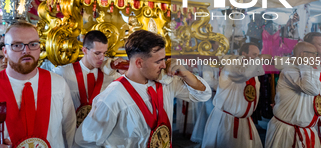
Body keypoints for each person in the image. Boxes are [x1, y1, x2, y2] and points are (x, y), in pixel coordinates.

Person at [75, 30, 211, 147]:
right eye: (158, 61)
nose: (164, 65)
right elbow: (86, 141)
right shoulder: (112, 97)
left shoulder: (166, 83)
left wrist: (185, 73)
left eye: (164, 59)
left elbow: (203, 95)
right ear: (139, 62)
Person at [0, 21, 76, 147]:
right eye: (17, 45)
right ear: (5, 51)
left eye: (33, 44)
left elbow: (69, 132)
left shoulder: (58, 84)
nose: (26, 50)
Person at [53, 30, 122, 127]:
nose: (102, 58)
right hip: (71, 129)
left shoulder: (110, 75)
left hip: (99, 130)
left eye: (104, 53)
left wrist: (124, 71)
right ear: (84, 50)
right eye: (97, 53)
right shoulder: (63, 73)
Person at [202, 42, 264, 148]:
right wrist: (258, 60)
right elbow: (243, 74)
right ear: (243, 54)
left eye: (258, 55)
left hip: (245, 121)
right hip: (226, 120)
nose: (257, 58)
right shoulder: (231, 67)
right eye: (254, 55)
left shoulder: (253, 72)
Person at [265, 42, 321, 148]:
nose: (317, 57)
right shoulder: (289, 70)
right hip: (287, 131)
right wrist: (306, 64)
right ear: (302, 54)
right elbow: (311, 89)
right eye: (315, 54)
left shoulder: (310, 70)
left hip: (306, 131)